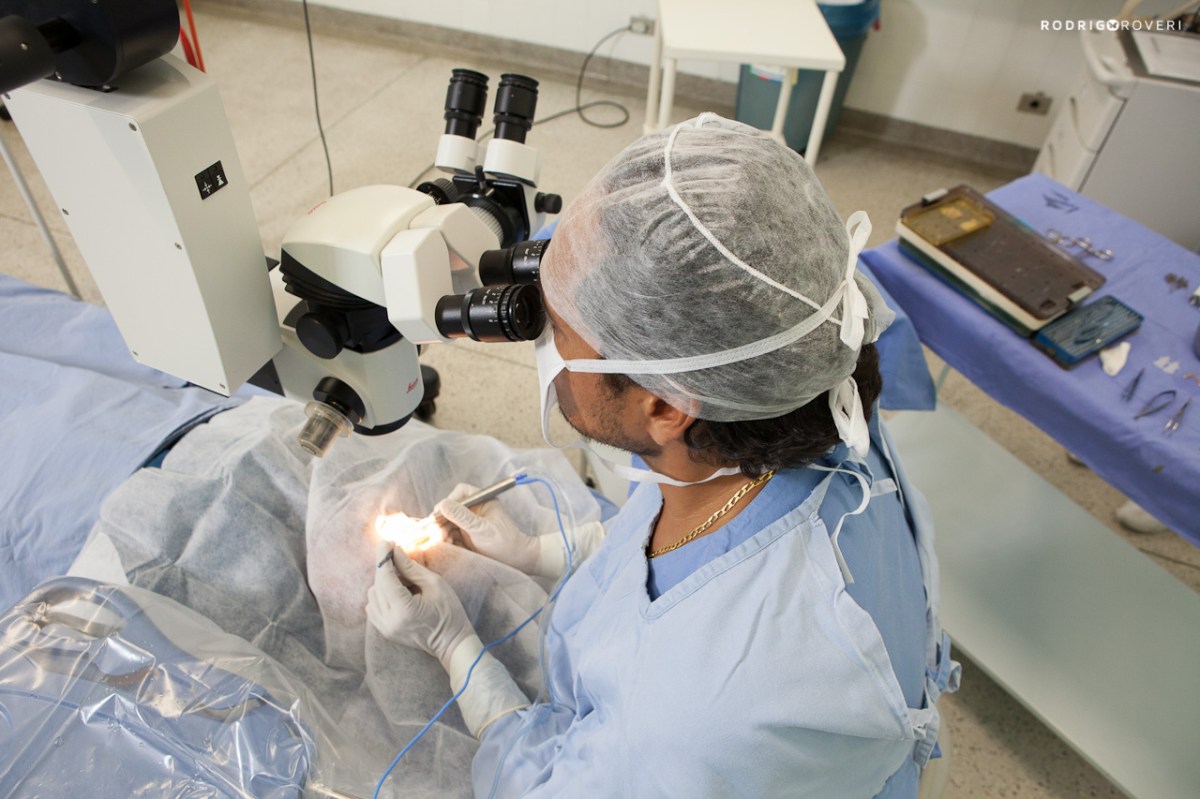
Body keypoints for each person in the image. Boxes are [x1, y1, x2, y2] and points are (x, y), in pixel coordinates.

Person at [366, 114, 958, 798]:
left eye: (559, 331)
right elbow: (689, 554)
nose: (543, 347)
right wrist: (537, 552)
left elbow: (544, 785)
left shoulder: (689, 721)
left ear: (666, 407)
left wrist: (452, 643)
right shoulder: (803, 383)